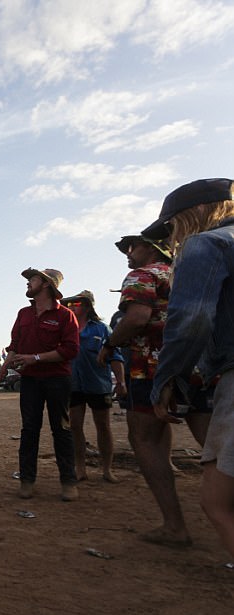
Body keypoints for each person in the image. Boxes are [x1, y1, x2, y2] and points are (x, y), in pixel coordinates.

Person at [98, 232, 209, 548]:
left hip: (150, 367)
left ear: (151, 248)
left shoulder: (142, 275)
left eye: (133, 247)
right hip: (199, 366)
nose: (128, 254)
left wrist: (110, 344)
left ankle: (175, 525)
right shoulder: (188, 273)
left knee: (145, 438)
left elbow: (137, 317)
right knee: (214, 442)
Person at [144, 178, 234, 557]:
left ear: (193, 214)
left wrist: (169, 376)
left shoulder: (206, 244)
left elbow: (192, 318)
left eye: (171, 226)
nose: (170, 237)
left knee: (218, 502)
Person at [0, 268, 80, 501]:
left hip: (57, 379)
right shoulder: (24, 313)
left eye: (32, 279)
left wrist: (35, 358)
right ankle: (27, 480)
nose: (27, 283)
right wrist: (5, 367)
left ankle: (68, 481)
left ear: (45, 284)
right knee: (29, 430)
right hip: (31, 380)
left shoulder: (65, 315)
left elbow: (70, 349)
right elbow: (15, 343)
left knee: (61, 429)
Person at [61, 290, 126, 483]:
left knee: (103, 426)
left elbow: (115, 356)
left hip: (99, 385)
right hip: (73, 385)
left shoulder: (102, 329)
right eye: (70, 304)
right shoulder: (66, 330)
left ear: (88, 306)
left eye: (77, 304)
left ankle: (107, 469)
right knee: (74, 426)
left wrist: (121, 382)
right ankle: (80, 467)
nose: (72, 307)